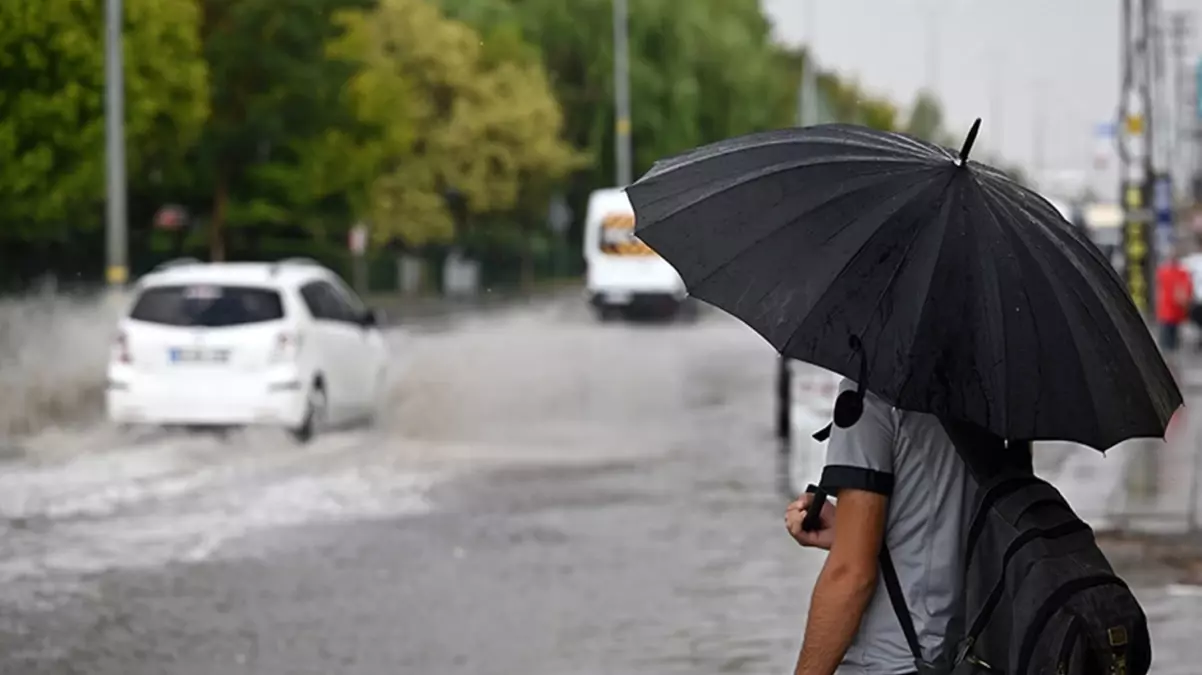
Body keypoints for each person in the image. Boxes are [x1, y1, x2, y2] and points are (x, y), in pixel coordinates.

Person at [783, 380, 971, 675]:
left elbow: (851, 574)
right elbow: (950, 522)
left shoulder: (867, 398)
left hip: (886, 663)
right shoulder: (986, 397)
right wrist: (849, 532)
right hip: (967, 656)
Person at [1155, 246, 1192, 353]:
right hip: (1171, 310)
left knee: (1169, 339)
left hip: (1171, 310)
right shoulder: (1179, 273)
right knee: (1171, 339)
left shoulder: (1164, 272)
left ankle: (1169, 357)